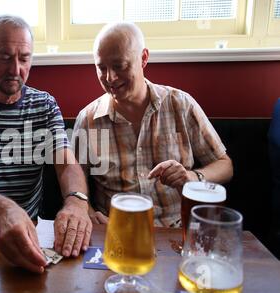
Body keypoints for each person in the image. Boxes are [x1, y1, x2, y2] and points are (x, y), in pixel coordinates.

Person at [0, 15, 91, 273]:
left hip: (30, 234)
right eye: (4, 57)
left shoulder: (45, 104)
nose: (15, 70)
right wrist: (4, 210)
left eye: (24, 58)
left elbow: (66, 164)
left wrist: (77, 202)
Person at [72, 22, 233, 227]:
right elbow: (74, 187)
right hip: (116, 233)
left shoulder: (180, 104)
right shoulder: (87, 120)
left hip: (177, 232)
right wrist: (88, 213)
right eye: (101, 68)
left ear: (144, 58)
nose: (110, 78)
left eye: (119, 66)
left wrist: (192, 177)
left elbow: (225, 166)